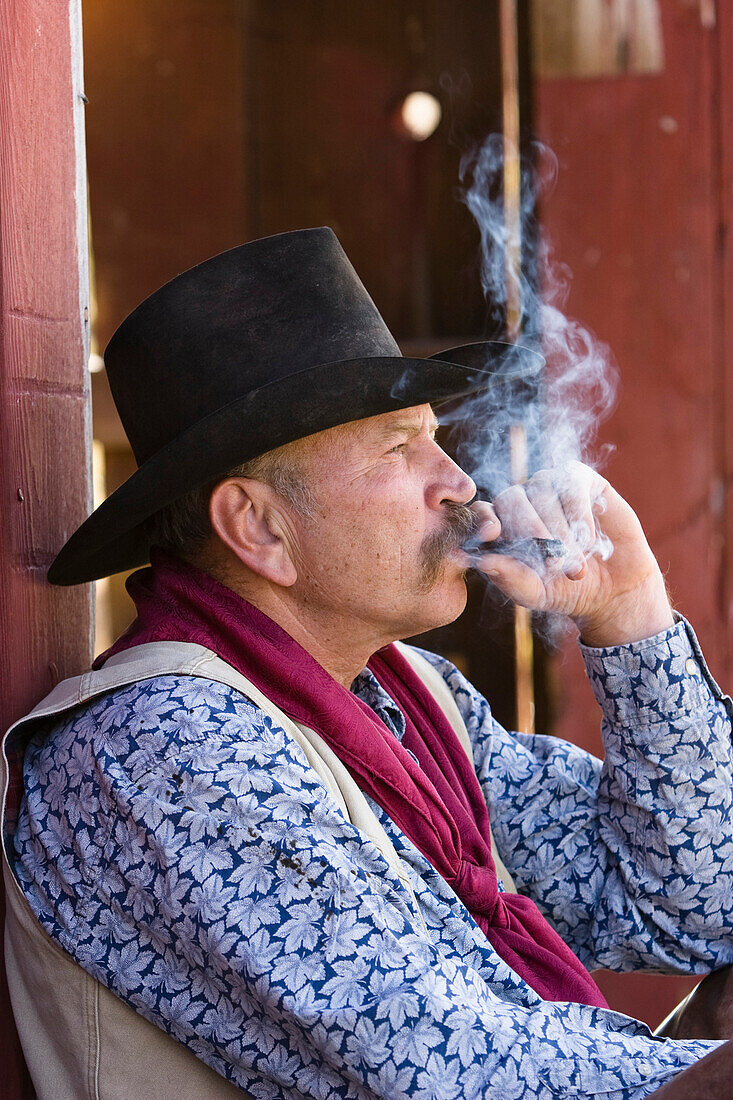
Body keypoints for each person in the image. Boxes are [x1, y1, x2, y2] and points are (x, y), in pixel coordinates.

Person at [3, 227, 733, 1099]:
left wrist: (631, 617)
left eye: (434, 437)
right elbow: (463, 1076)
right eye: (398, 448)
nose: (458, 480)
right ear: (261, 528)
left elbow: (692, 905)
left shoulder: (409, 696)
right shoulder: (163, 748)